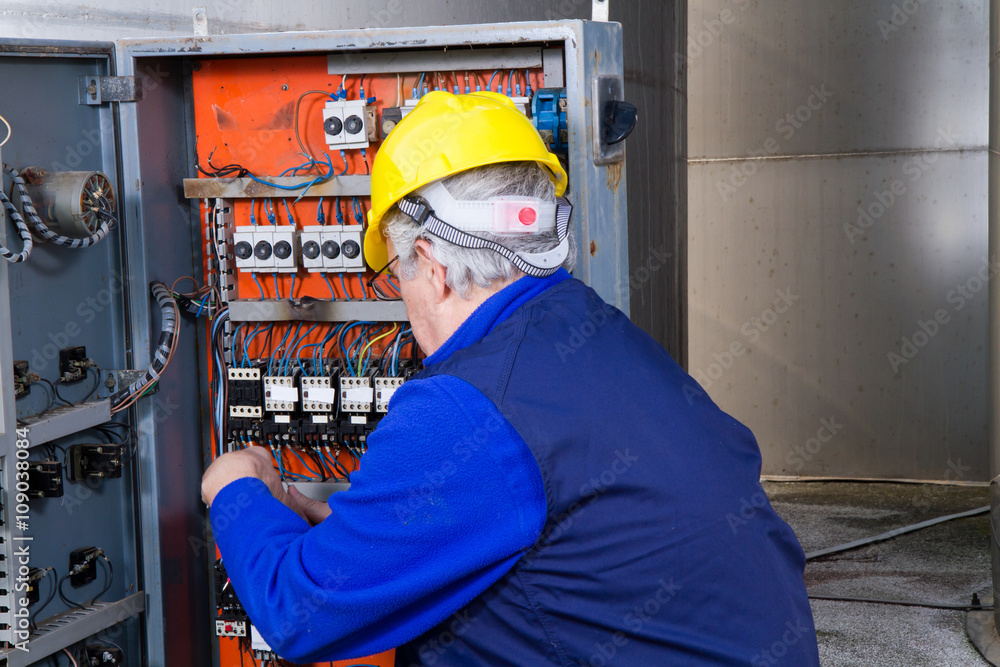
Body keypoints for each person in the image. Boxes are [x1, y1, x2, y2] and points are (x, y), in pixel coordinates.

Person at [202, 91, 820, 666]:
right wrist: (369, 539)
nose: (402, 298)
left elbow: (297, 612)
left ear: (432, 265)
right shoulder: (600, 334)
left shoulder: (467, 406)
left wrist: (235, 488)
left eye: (397, 275)